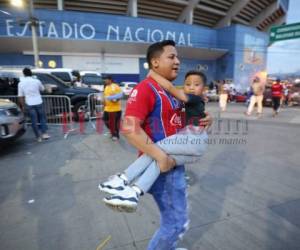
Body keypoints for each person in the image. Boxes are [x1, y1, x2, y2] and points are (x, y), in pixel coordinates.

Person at [99, 40, 212, 250]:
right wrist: (160, 157)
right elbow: (130, 128)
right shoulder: (145, 88)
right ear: (155, 62)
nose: (177, 61)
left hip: (173, 163)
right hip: (162, 170)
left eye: (178, 57)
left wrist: (206, 118)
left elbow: (183, 120)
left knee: (175, 221)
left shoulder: (170, 91)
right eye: (171, 57)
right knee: (176, 223)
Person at [99, 70, 209, 212]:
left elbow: (171, 89)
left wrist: (154, 75)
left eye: (196, 84)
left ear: (204, 89)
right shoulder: (187, 103)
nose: (192, 87)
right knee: (159, 160)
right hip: (193, 146)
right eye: (188, 84)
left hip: (193, 139)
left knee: (155, 150)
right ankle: (134, 193)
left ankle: (123, 178)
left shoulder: (195, 99)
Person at [18, 67, 50, 142]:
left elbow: (20, 96)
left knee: (34, 120)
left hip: (29, 103)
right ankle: (44, 134)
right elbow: (42, 89)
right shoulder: (36, 81)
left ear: (24, 74)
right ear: (31, 73)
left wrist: (22, 106)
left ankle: (38, 137)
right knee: (42, 118)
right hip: (38, 101)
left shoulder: (21, 83)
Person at [102, 75, 123, 141]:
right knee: (105, 120)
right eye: (104, 79)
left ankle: (115, 135)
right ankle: (112, 131)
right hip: (107, 108)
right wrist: (104, 104)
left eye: (106, 79)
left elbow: (120, 96)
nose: (105, 81)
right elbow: (105, 96)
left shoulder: (115, 86)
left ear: (110, 80)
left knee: (114, 123)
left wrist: (114, 99)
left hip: (114, 109)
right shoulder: (106, 87)